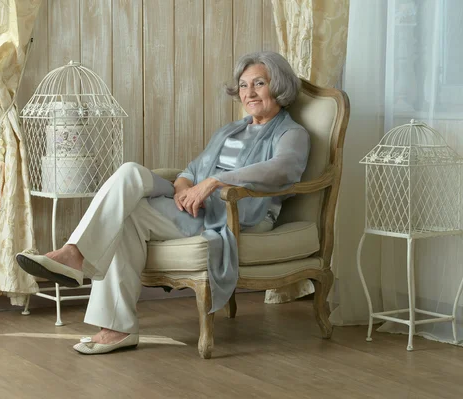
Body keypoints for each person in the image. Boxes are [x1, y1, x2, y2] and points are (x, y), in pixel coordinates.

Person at [16, 51, 310, 355]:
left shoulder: (292, 133)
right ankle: (78, 262)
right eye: (244, 85)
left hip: (234, 211)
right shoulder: (230, 130)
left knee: (126, 215)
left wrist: (215, 182)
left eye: (258, 83)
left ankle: (105, 307)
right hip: (195, 204)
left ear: (279, 86)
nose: (248, 93)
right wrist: (184, 185)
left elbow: (283, 168)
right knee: (130, 174)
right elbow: (193, 168)